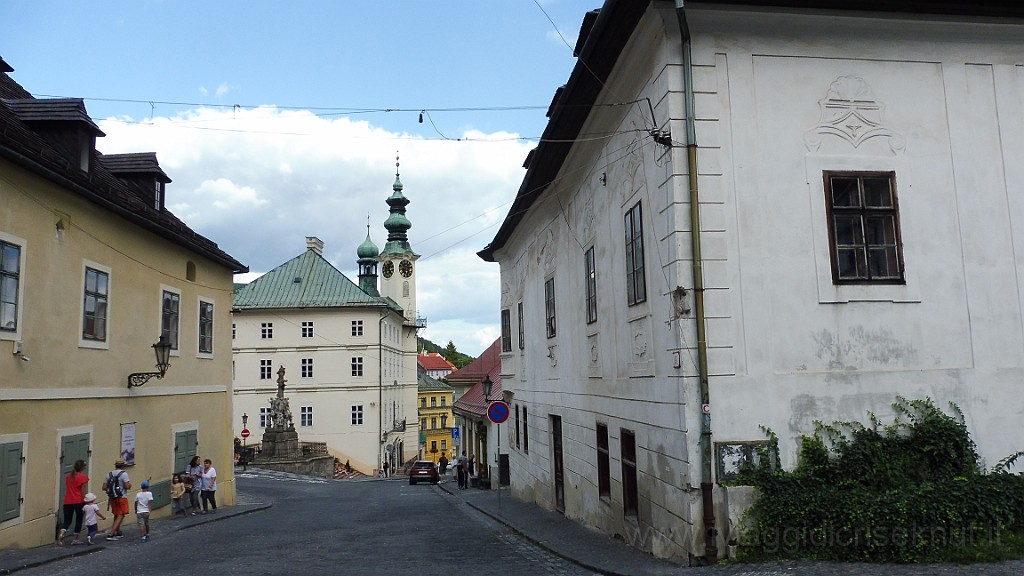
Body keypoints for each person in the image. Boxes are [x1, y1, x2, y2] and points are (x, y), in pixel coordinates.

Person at [58, 459, 88, 545]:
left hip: (67, 501)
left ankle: (62, 532)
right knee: (79, 519)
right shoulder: (83, 477)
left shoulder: (68, 476)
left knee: (67, 520)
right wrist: (86, 499)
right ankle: (76, 538)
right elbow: (83, 491)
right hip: (79, 501)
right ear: (82, 468)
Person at [101, 459, 131, 540]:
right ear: (123, 466)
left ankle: (118, 532)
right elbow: (127, 486)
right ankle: (111, 533)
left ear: (115, 465)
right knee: (121, 515)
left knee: (116, 514)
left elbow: (104, 487)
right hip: (122, 497)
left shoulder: (109, 474)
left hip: (112, 497)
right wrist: (129, 485)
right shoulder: (124, 474)